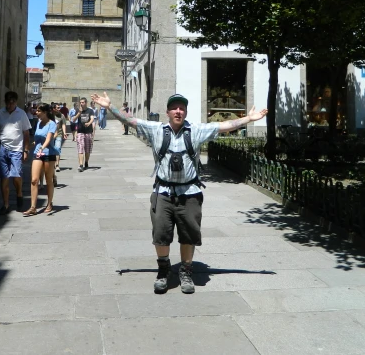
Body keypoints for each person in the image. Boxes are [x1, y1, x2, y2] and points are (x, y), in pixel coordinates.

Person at [92, 91, 268, 295]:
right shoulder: (155, 129)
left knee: (188, 235)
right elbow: (130, 120)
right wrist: (109, 107)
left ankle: (185, 270)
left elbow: (224, 126)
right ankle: (164, 270)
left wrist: (248, 119)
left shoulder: (196, 130)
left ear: (185, 111)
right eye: (174, 107)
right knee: (160, 234)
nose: (178, 111)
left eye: (182, 108)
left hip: (190, 193)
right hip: (163, 192)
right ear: (167, 112)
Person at [0, 91, 31, 214]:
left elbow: (26, 133)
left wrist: (26, 150)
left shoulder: (22, 114)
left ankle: (19, 193)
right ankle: (6, 205)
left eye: (12, 103)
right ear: (5, 102)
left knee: (17, 176)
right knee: (4, 177)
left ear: (16, 102)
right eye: (8, 103)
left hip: (17, 149)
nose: (10, 105)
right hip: (2, 148)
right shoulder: (0, 113)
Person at [24, 103, 58, 216]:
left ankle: (49, 203)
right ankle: (33, 207)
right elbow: (38, 139)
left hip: (49, 153)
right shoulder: (38, 123)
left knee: (49, 180)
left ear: (45, 112)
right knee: (34, 179)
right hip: (37, 153)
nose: (36, 112)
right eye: (36, 111)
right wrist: (30, 145)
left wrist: (42, 148)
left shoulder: (51, 124)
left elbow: (48, 139)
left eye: (38, 111)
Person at [74, 97, 96, 171]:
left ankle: (86, 162)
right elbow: (73, 119)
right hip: (80, 131)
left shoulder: (90, 111)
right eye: (80, 102)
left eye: (82, 102)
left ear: (86, 103)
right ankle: (80, 164)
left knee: (87, 149)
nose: (81, 104)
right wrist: (79, 113)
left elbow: (92, 118)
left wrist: (89, 123)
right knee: (80, 147)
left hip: (88, 132)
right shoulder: (78, 110)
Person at [53, 104, 69, 174]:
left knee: (57, 149)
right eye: (57, 108)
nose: (59, 109)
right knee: (51, 150)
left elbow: (63, 124)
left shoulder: (61, 116)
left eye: (59, 107)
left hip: (59, 134)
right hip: (50, 135)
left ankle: (57, 165)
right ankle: (52, 164)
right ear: (53, 108)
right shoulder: (50, 115)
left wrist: (65, 133)